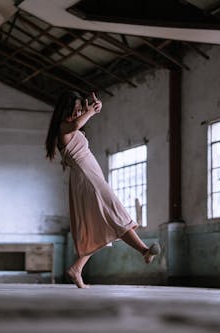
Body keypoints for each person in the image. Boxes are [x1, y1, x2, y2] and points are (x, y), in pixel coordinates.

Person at [45, 90, 161, 288]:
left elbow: (79, 124)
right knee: (115, 213)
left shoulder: (74, 127)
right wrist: (91, 112)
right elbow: (76, 124)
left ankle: (77, 269)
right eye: (75, 110)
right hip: (87, 179)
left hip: (91, 178)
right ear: (65, 110)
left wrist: (92, 109)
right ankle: (143, 250)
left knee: (102, 225)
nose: (78, 113)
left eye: (80, 109)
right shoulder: (64, 128)